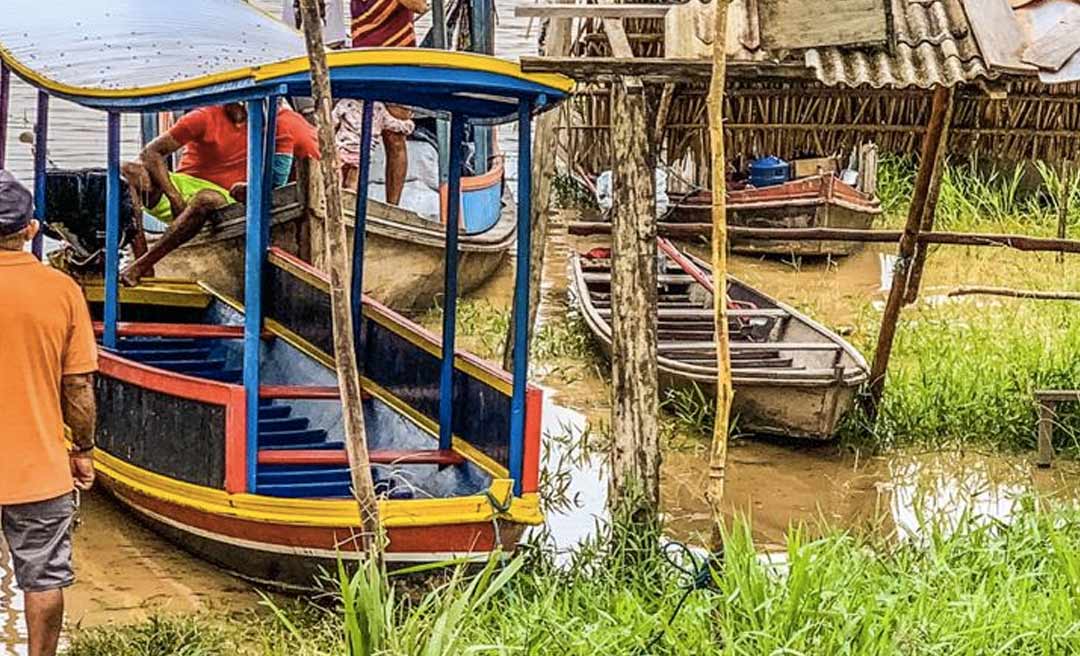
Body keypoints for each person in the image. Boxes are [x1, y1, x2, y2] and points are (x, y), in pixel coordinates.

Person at [0, 170, 97, 656]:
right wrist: (83, 450)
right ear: (31, 230)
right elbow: (77, 385)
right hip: (38, 467)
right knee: (43, 578)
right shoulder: (61, 291)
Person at [121, 103, 292, 286]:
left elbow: (278, 180)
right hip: (184, 187)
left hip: (227, 197)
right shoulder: (203, 116)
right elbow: (150, 152)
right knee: (127, 170)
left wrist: (250, 189)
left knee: (206, 198)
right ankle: (143, 263)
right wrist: (174, 196)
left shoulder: (276, 124)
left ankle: (141, 265)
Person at [346, 0, 429, 204]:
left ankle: (393, 206)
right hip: (363, 61)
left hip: (397, 65)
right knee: (357, 134)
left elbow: (420, 6)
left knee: (395, 138)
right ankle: (350, 198)